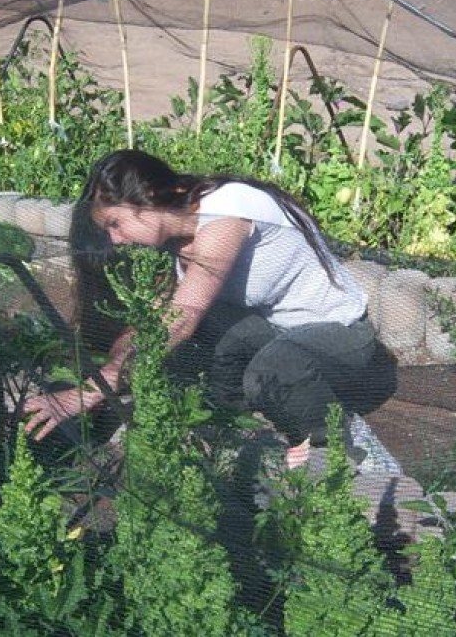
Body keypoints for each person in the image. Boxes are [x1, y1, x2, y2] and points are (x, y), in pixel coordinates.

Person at [21, 149, 399, 473]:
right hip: (279, 336)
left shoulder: (227, 208)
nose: (115, 239)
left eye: (116, 223)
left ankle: (342, 447)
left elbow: (182, 316)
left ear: (147, 196)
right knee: (221, 335)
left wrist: (93, 391)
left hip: (342, 335)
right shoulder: (173, 246)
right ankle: (242, 430)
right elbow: (150, 324)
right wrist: (103, 379)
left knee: (271, 366)